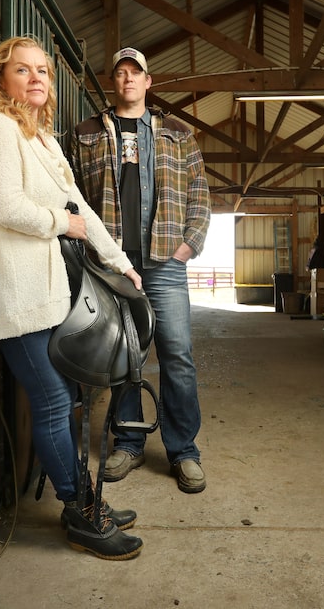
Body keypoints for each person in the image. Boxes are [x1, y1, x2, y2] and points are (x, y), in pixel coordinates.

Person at [0, 36, 144, 560]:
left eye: (42, 70)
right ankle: (79, 513)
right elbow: (5, 207)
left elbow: (83, 211)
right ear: (1, 78)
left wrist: (122, 264)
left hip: (51, 295)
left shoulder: (42, 139)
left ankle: (85, 500)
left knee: (64, 403)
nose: (36, 78)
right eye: (22, 70)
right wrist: (59, 223)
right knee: (51, 402)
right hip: (17, 296)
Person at [70, 47, 212, 494]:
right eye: (121, 73)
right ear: (113, 82)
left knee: (177, 355)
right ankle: (128, 443)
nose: (128, 79)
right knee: (123, 357)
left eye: (137, 73)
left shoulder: (179, 134)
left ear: (149, 82)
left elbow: (201, 197)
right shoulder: (84, 133)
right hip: (113, 264)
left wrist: (187, 248)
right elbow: (67, 194)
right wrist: (88, 249)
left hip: (165, 262)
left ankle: (183, 450)